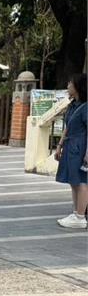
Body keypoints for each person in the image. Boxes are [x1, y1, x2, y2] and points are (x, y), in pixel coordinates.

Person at [54, 73, 88, 229]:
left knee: (81, 181)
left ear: (78, 86)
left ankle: (80, 217)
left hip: (80, 146)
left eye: (70, 83)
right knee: (73, 181)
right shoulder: (73, 104)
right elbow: (67, 127)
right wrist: (59, 145)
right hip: (70, 145)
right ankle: (76, 213)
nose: (68, 86)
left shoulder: (86, 107)